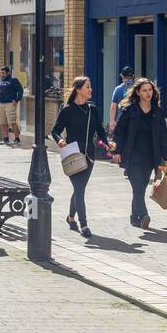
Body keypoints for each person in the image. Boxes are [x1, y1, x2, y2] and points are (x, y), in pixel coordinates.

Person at [51, 76, 110, 239]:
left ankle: (71, 217)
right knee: (79, 189)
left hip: (89, 155)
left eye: (90, 87)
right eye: (87, 87)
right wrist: (60, 140)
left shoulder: (93, 110)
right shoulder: (67, 109)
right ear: (78, 89)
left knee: (79, 189)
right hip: (71, 154)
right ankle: (83, 225)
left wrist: (108, 143)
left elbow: (100, 131)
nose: (90, 90)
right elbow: (54, 130)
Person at [111, 77, 167, 229]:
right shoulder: (130, 110)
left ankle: (134, 216)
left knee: (141, 188)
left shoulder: (157, 112)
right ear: (137, 92)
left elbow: (163, 136)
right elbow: (120, 132)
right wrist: (117, 151)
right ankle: (144, 215)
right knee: (138, 187)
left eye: (150, 90)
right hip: (132, 156)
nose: (148, 93)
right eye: (144, 90)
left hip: (151, 157)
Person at [0, 65, 24, 146]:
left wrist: (17, 99)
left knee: (12, 122)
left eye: (3, 73)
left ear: (8, 73)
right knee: (3, 122)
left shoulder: (13, 80)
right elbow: (0, 92)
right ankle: (6, 139)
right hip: (1, 103)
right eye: (1, 73)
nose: (2, 74)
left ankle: (17, 139)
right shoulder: (1, 80)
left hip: (10, 104)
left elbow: (20, 90)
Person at [109, 66, 135, 136]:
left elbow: (113, 107)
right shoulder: (138, 88)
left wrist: (112, 121)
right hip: (135, 121)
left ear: (122, 77)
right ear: (133, 76)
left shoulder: (118, 89)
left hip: (121, 121)